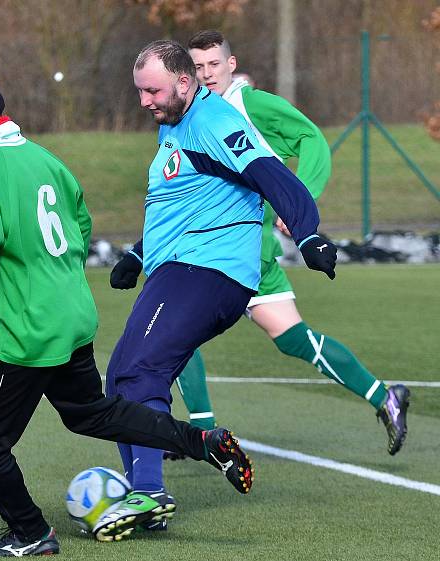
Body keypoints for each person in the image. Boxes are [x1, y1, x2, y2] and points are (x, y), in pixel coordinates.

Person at [0, 64, 255, 555]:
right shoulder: (45, 159)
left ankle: (31, 532)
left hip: (30, 332)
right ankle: (201, 442)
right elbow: (80, 223)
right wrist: (57, 276)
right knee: (91, 412)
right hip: (73, 318)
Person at [103, 39, 338, 536]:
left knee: (141, 371)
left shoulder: (215, 123)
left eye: (152, 91)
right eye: (140, 91)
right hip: (176, 269)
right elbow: (185, 202)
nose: (144, 101)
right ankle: (148, 485)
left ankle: (150, 494)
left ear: (184, 84)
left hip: (208, 272)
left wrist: (308, 231)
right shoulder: (178, 124)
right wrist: (138, 254)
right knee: (120, 377)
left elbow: (272, 176)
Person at [149, 30, 409, 459]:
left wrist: (300, 202)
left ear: (231, 65)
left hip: (239, 247)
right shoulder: (192, 114)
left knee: (179, 324)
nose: (206, 73)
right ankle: (385, 397)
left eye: (214, 64)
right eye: (197, 66)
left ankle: (200, 433)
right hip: (229, 246)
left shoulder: (249, 105)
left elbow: (311, 138)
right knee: (290, 339)